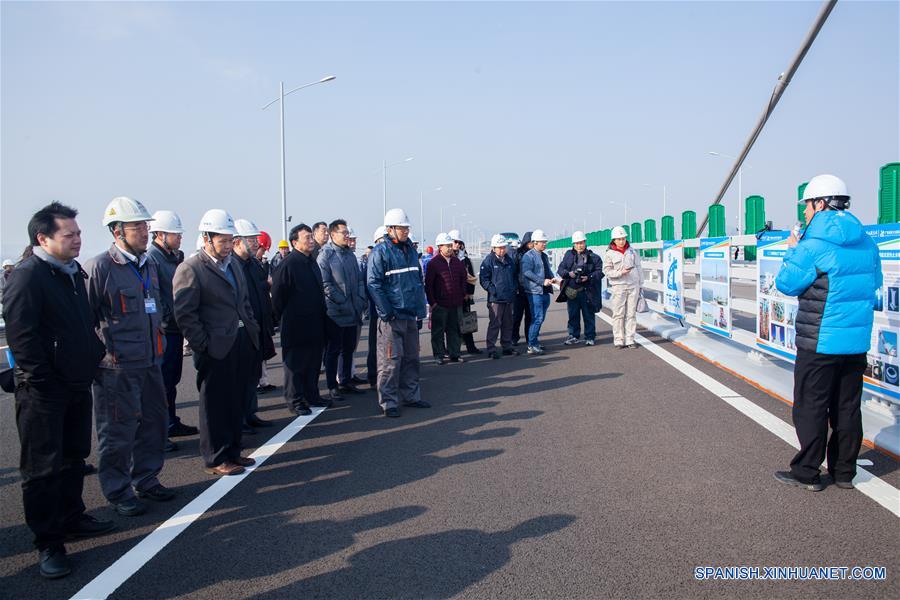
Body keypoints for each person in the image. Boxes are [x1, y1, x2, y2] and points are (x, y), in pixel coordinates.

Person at [3, 202, 114, 579]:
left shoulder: (70, 272)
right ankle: (48, 542)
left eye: (79, 234)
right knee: (42, 469)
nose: (78, 240)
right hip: (43, 393)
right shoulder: (28, 276)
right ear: (43, 238)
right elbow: (22, 338)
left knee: (74, 457)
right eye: (69, 235)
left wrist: (93, 355)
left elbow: (81, 325)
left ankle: (72, 516)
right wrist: (43, 381)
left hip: (75, 384)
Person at [773, 174, 881, 492]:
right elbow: (873, 284)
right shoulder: (867, 243)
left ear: (821, 204)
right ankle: (845, 472)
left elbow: (786, 283)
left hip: (819, 341)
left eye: (807, 205)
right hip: (856, 342)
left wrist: (793, 250)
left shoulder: (811, 246)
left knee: (811, 405)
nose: (805, 212)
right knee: (847, 406)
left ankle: (808, 472)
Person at [85, 197, 173, 516]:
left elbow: (158, 305)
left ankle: (147, 478)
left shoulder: (147, 264)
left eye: (145, 226)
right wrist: (103, 357)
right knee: (117, 431)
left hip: (150, 361)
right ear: (117, 231)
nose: (145, 232)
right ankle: (118, 490)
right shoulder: (100, 268)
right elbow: (86, 320)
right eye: (137, 226)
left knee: (154, 422)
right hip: (116, 368)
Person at [173, 209, 261, 477]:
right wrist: (204, 344)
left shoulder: (233, 264)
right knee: (214, 404)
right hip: (215, 346)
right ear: (206, 238)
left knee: (235, 399)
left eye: (229, 239)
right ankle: (215, 457)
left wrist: (251, 327)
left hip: (241, 340)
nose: (227, 245)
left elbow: (242, 300)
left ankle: (233, 451)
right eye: (222, 240)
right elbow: (185, 313)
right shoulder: (191, 268)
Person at [367, 208, 429, 417]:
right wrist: (386, 312)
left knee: (412, 358)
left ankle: (411, 396)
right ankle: (389, 402)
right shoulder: (380, 252)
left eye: (406, 228)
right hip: (392, 318)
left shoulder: (410, 250)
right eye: (402, 228)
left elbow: (417, 282)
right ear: (390, 229)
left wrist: (420, 310)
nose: (405, 231)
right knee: (390, 362)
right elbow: (373, 284)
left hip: (410, 314)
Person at [147, 210, 198, 449]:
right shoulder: (153, 259)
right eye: (174, 234)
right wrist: (172, 318)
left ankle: (171, 421)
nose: (179, 238)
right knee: (162, 382)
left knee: (172, 379)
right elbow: (157, 298)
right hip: (166, 329)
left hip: (176, 328)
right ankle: (161, 429)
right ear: (159, 234)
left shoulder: (174, 258)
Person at [271, 223, 332, 416]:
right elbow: (278, 296)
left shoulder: (311, 261)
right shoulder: (288, 264)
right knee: (295, 365)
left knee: (313, 363)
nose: (311, 240)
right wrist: (282, 319)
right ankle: (295, 400)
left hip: (315, 323)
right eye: (307, 237)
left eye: (311, 237)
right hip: (295, 324)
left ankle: (312, 395)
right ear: (295, 242)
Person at [232, 219, 276, 431]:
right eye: (250, 239)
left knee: (253, 375)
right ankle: (239, 418)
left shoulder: (253, 264)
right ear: (237, 241)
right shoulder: (232, 265)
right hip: (242, 330)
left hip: (258, 326)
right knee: (240, 379)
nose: (256, 243)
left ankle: (250, 414)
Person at [318, 219, 368, 400]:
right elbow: (325, 284)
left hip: (353, 311)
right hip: (335, 313)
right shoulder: (325, 255)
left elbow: (360, 280)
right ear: (332, 235)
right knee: (333, 350)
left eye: (347, 233)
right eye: (343, 233)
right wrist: (343, 301)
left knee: (349, 348)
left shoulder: (350, 255)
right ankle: (332, 385)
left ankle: (346, 381)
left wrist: (361, 299)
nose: (347, 236)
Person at [425, 232, 468, 365]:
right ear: (440, 247)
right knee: (437, 331)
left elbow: (463, 279)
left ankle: (454, 353)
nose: (450, 248)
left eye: (450, 245)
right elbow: (429, 285)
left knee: (454, 329)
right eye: (447, 246)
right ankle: (439, 355)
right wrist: (433, 302)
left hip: (455, 303)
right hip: (440, 304)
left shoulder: (457, 262)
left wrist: (462, 294)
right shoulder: (434, 263)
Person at [556, 231, 604, 346]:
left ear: (585, 242)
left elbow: (600, 273)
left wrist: (589, 277)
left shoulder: (594, 257)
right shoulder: (568, 255)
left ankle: (590, 336)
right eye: (577, 243)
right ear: (573, 244)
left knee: (589, 315)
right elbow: (560, 269)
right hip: (572, 291)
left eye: (581, 242)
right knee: (573, 315)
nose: (579, 245)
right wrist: (569, 274)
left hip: (587, 291)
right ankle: (573, 335)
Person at [480, 234, 520, 359]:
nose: (502, 250)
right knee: (495, 323)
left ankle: (506, 346)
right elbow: (484, 279)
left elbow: (514, 276)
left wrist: (514, 288)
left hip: (509, 297)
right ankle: (491, 348)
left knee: (508, 323)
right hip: (496, 299)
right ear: (493, 248)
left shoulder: (509, 260)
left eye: (504, 247)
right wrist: (493, 290)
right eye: (499, 248)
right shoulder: (488, 261)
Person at [603, 226, 643, 349]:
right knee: (618, 314)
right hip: (618, 286)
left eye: (623, 238)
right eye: (619, 239)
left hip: (633, 286)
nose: (622, 241)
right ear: (614, 240)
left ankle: (630, 339)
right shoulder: (609, 254)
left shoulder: (632, 251)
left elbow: (639, 267)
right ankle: (619, 340)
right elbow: (607, 271)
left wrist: (641, 284)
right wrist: (620, 273)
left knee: (631, 314)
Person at [519, 229, 556, 355]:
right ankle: (531, 345)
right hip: (535, 292)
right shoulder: (528, 256)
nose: (544, 244)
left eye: (545, 242)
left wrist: (552, 279)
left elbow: (547, 270)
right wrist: (541, 281)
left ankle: (534, 342)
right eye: (542, 242)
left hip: (545, 291)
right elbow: (527, 272)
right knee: (537, 318)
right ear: (534, 243)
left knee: (541, 318)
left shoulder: (544, 256)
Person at [449, 230, 482, 354]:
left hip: (464, 296)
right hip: (450, 296)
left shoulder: (465, 259)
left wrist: (469, 293)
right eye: (454, 242)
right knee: (451, 324)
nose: (457, 244)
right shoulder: (446, 258)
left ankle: (470, 346)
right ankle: (453, 349)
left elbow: (471, 278)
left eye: (459, 242)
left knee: (467, 321)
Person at [362, 226, 387, 386]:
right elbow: (370, 286)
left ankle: (386, 376)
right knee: (375, 346)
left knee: (388, 347)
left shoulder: (391, 256)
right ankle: (373, 377)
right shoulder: (373, 258)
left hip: (389, 310)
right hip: (376, 310)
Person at [511, 232, 534, 346]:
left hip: (531, 290)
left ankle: (529, 338)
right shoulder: (517, 254)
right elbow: (513, 272)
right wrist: (515, 287)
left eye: (533, 242)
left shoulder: (536, 254)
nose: (532, 244)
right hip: (519, 290)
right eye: (530, 242)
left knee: (530, 316)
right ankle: (514, 337)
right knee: (517, 316)